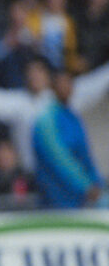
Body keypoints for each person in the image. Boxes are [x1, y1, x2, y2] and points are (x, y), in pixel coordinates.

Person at [32, 71, 104, 209]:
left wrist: (96, 181)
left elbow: (84, 154)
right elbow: (59, 157)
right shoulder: (46, 120)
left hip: (80, 197)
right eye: (61, 83)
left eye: (68, 83)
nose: (65, 87)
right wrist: (85, 186)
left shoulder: (73, 117)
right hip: (57, 196)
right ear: (52, 87)